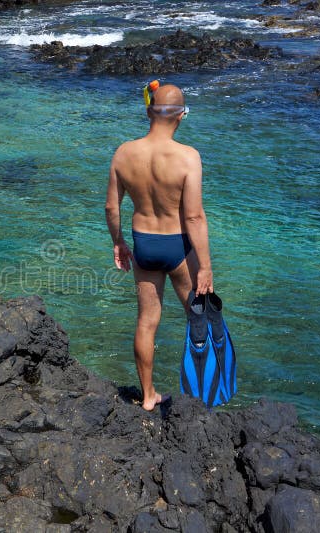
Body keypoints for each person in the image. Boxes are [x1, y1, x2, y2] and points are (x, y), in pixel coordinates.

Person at [104, 82, 213, 411]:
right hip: (178, 246)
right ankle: (199, 399)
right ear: (181, 116)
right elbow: (193, 217)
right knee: (199, 320)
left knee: (147, 321)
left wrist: (119, 243)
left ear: (149, 111)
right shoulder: (187, 157)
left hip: (144, 245)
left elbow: (111, 208)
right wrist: (205, 266)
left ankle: (148, 396)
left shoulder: (124, 153)